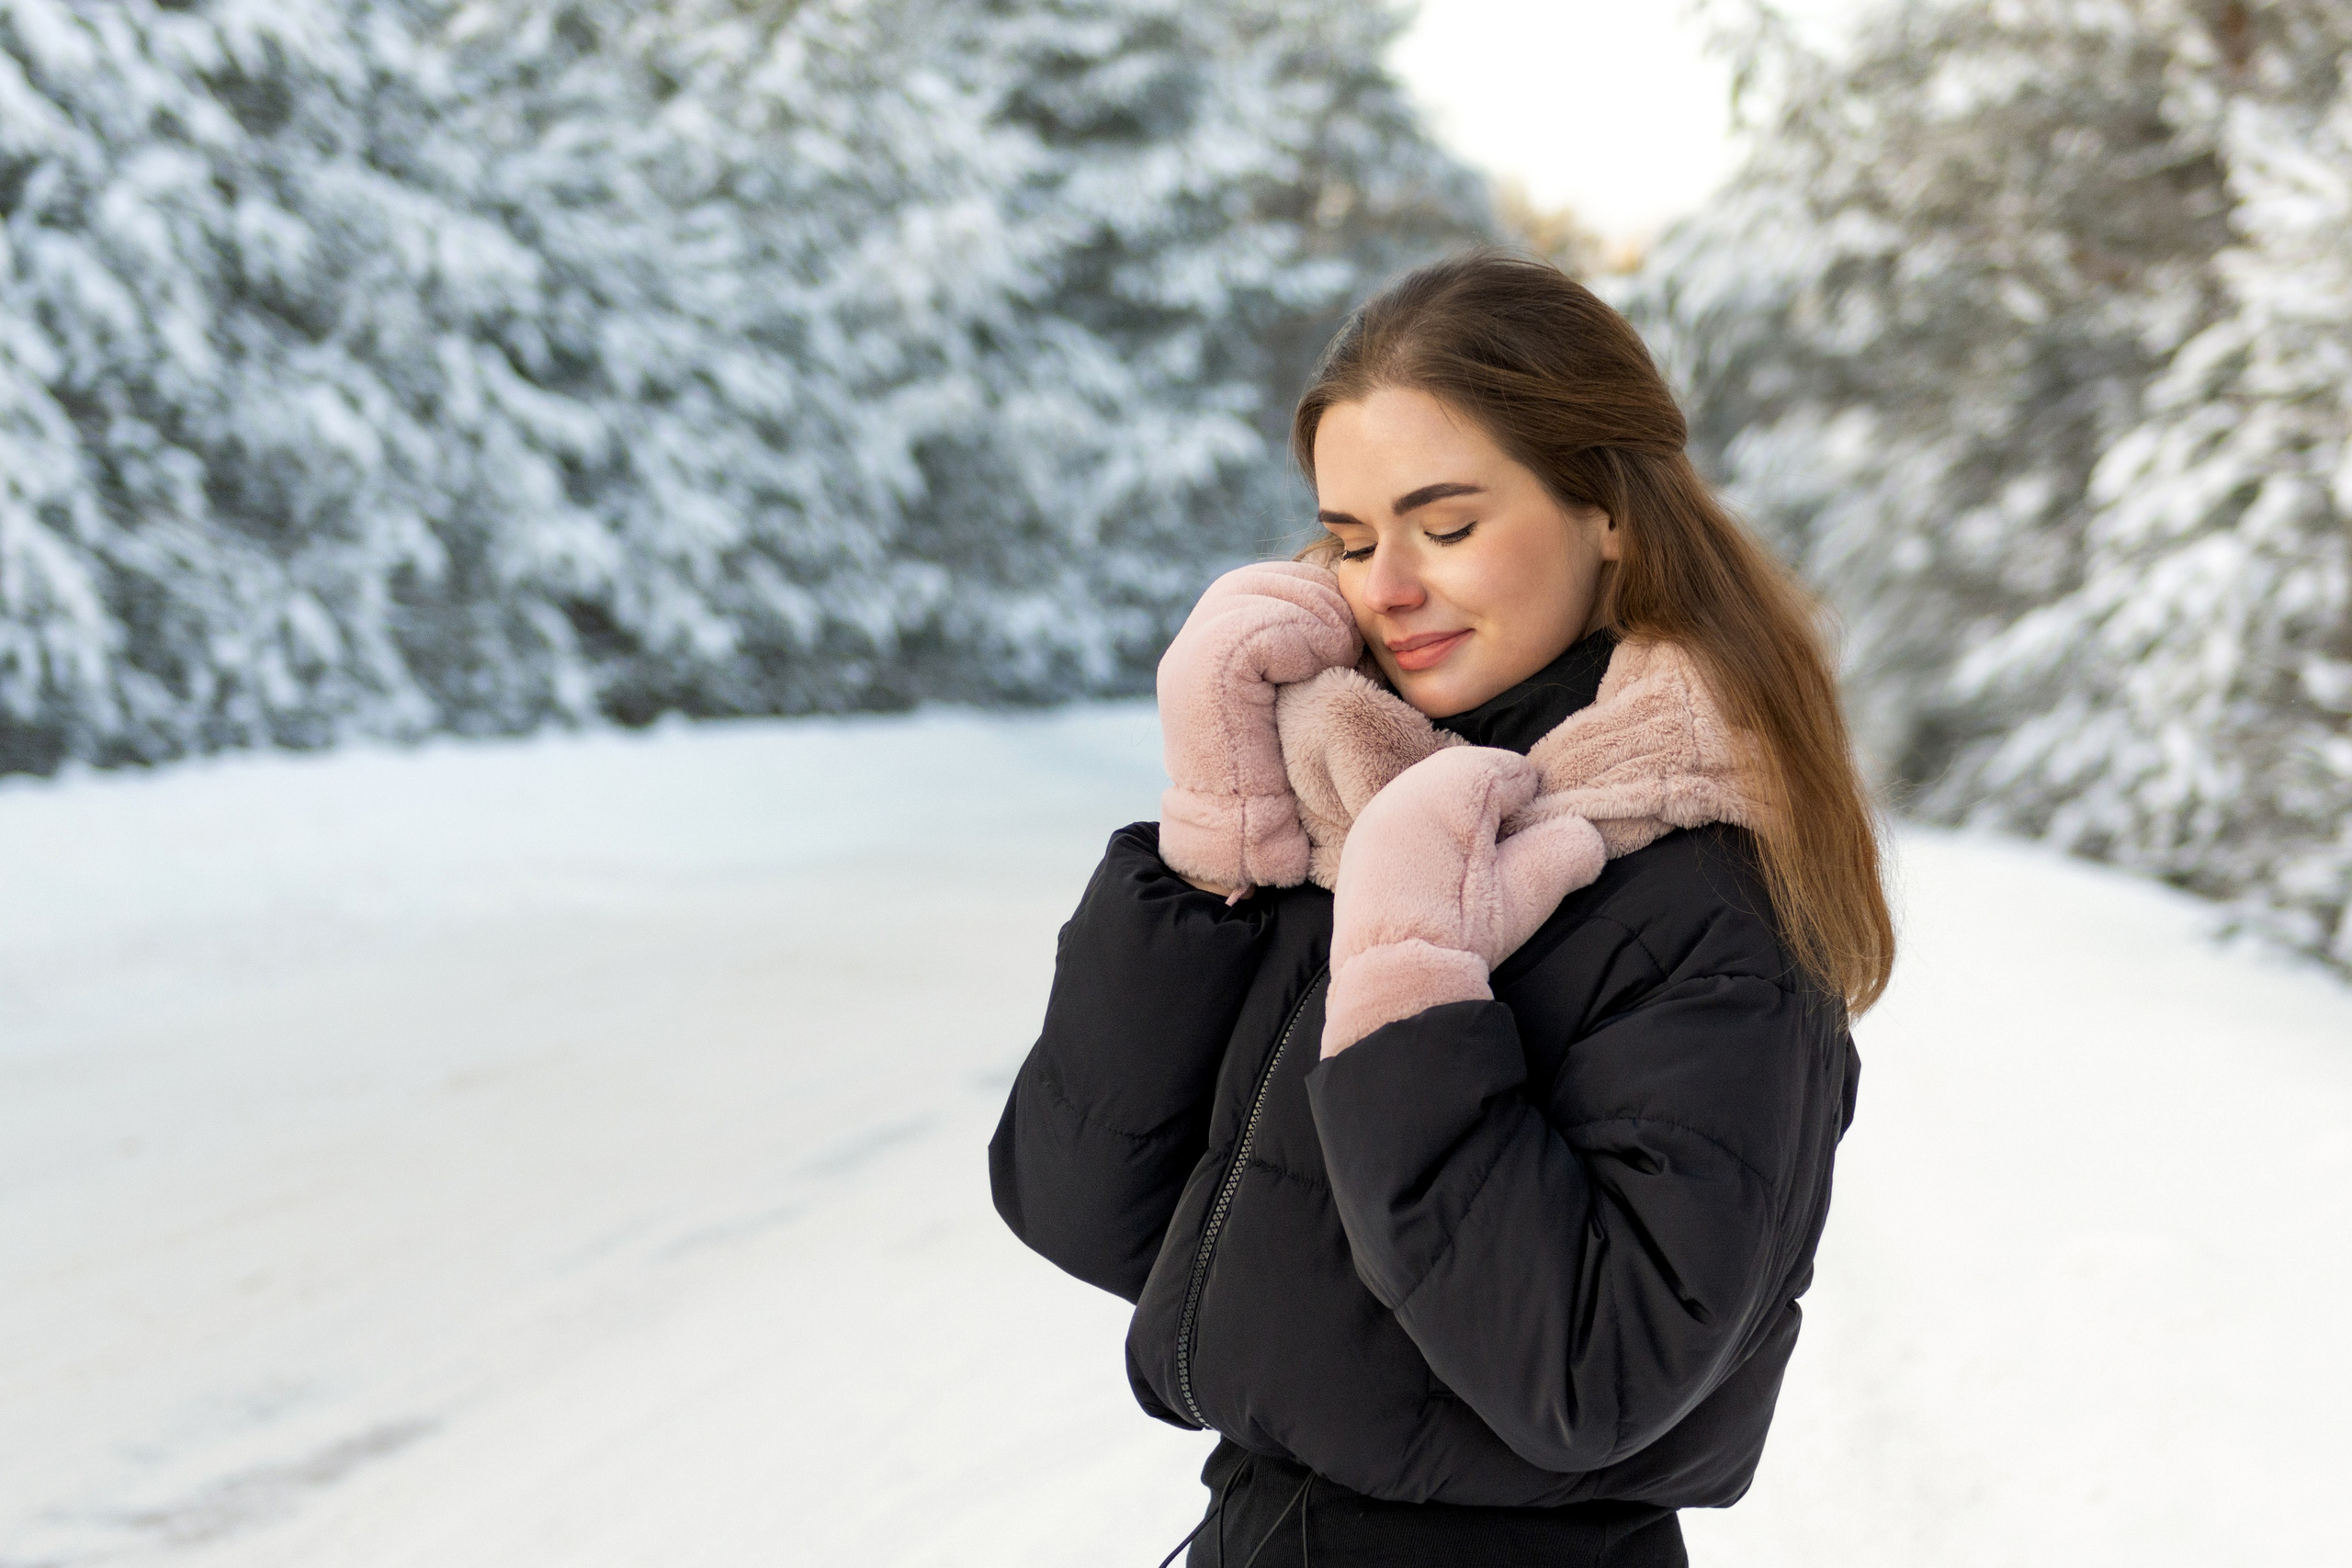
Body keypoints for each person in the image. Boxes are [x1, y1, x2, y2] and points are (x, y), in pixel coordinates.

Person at [989, 252, 1891, 1567]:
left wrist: (1413, 984)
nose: (1387, 586)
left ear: (1611, 515)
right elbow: (1085, 1211)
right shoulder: (1363, 816)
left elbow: (1598, 1375)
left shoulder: (1704, 898)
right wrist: (1217, 837)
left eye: (1447, 525)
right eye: (1351, 538)